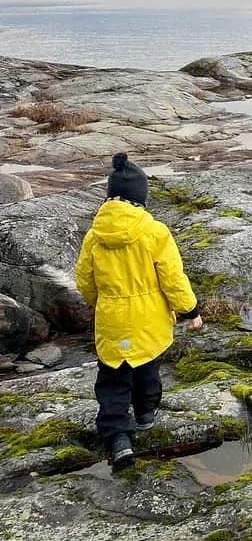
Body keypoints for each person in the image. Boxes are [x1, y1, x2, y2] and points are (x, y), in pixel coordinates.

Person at [76, 153, 203, 470]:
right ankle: (146, 416)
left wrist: (99, 303)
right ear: (140, 198)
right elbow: (173, 279)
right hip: (150, 321)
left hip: (113, 321)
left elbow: (84, 281)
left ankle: (118, 439)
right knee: (148, 370)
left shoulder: (94, 236)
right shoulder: (155, 232)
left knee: (113, 382)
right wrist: (190, 310)